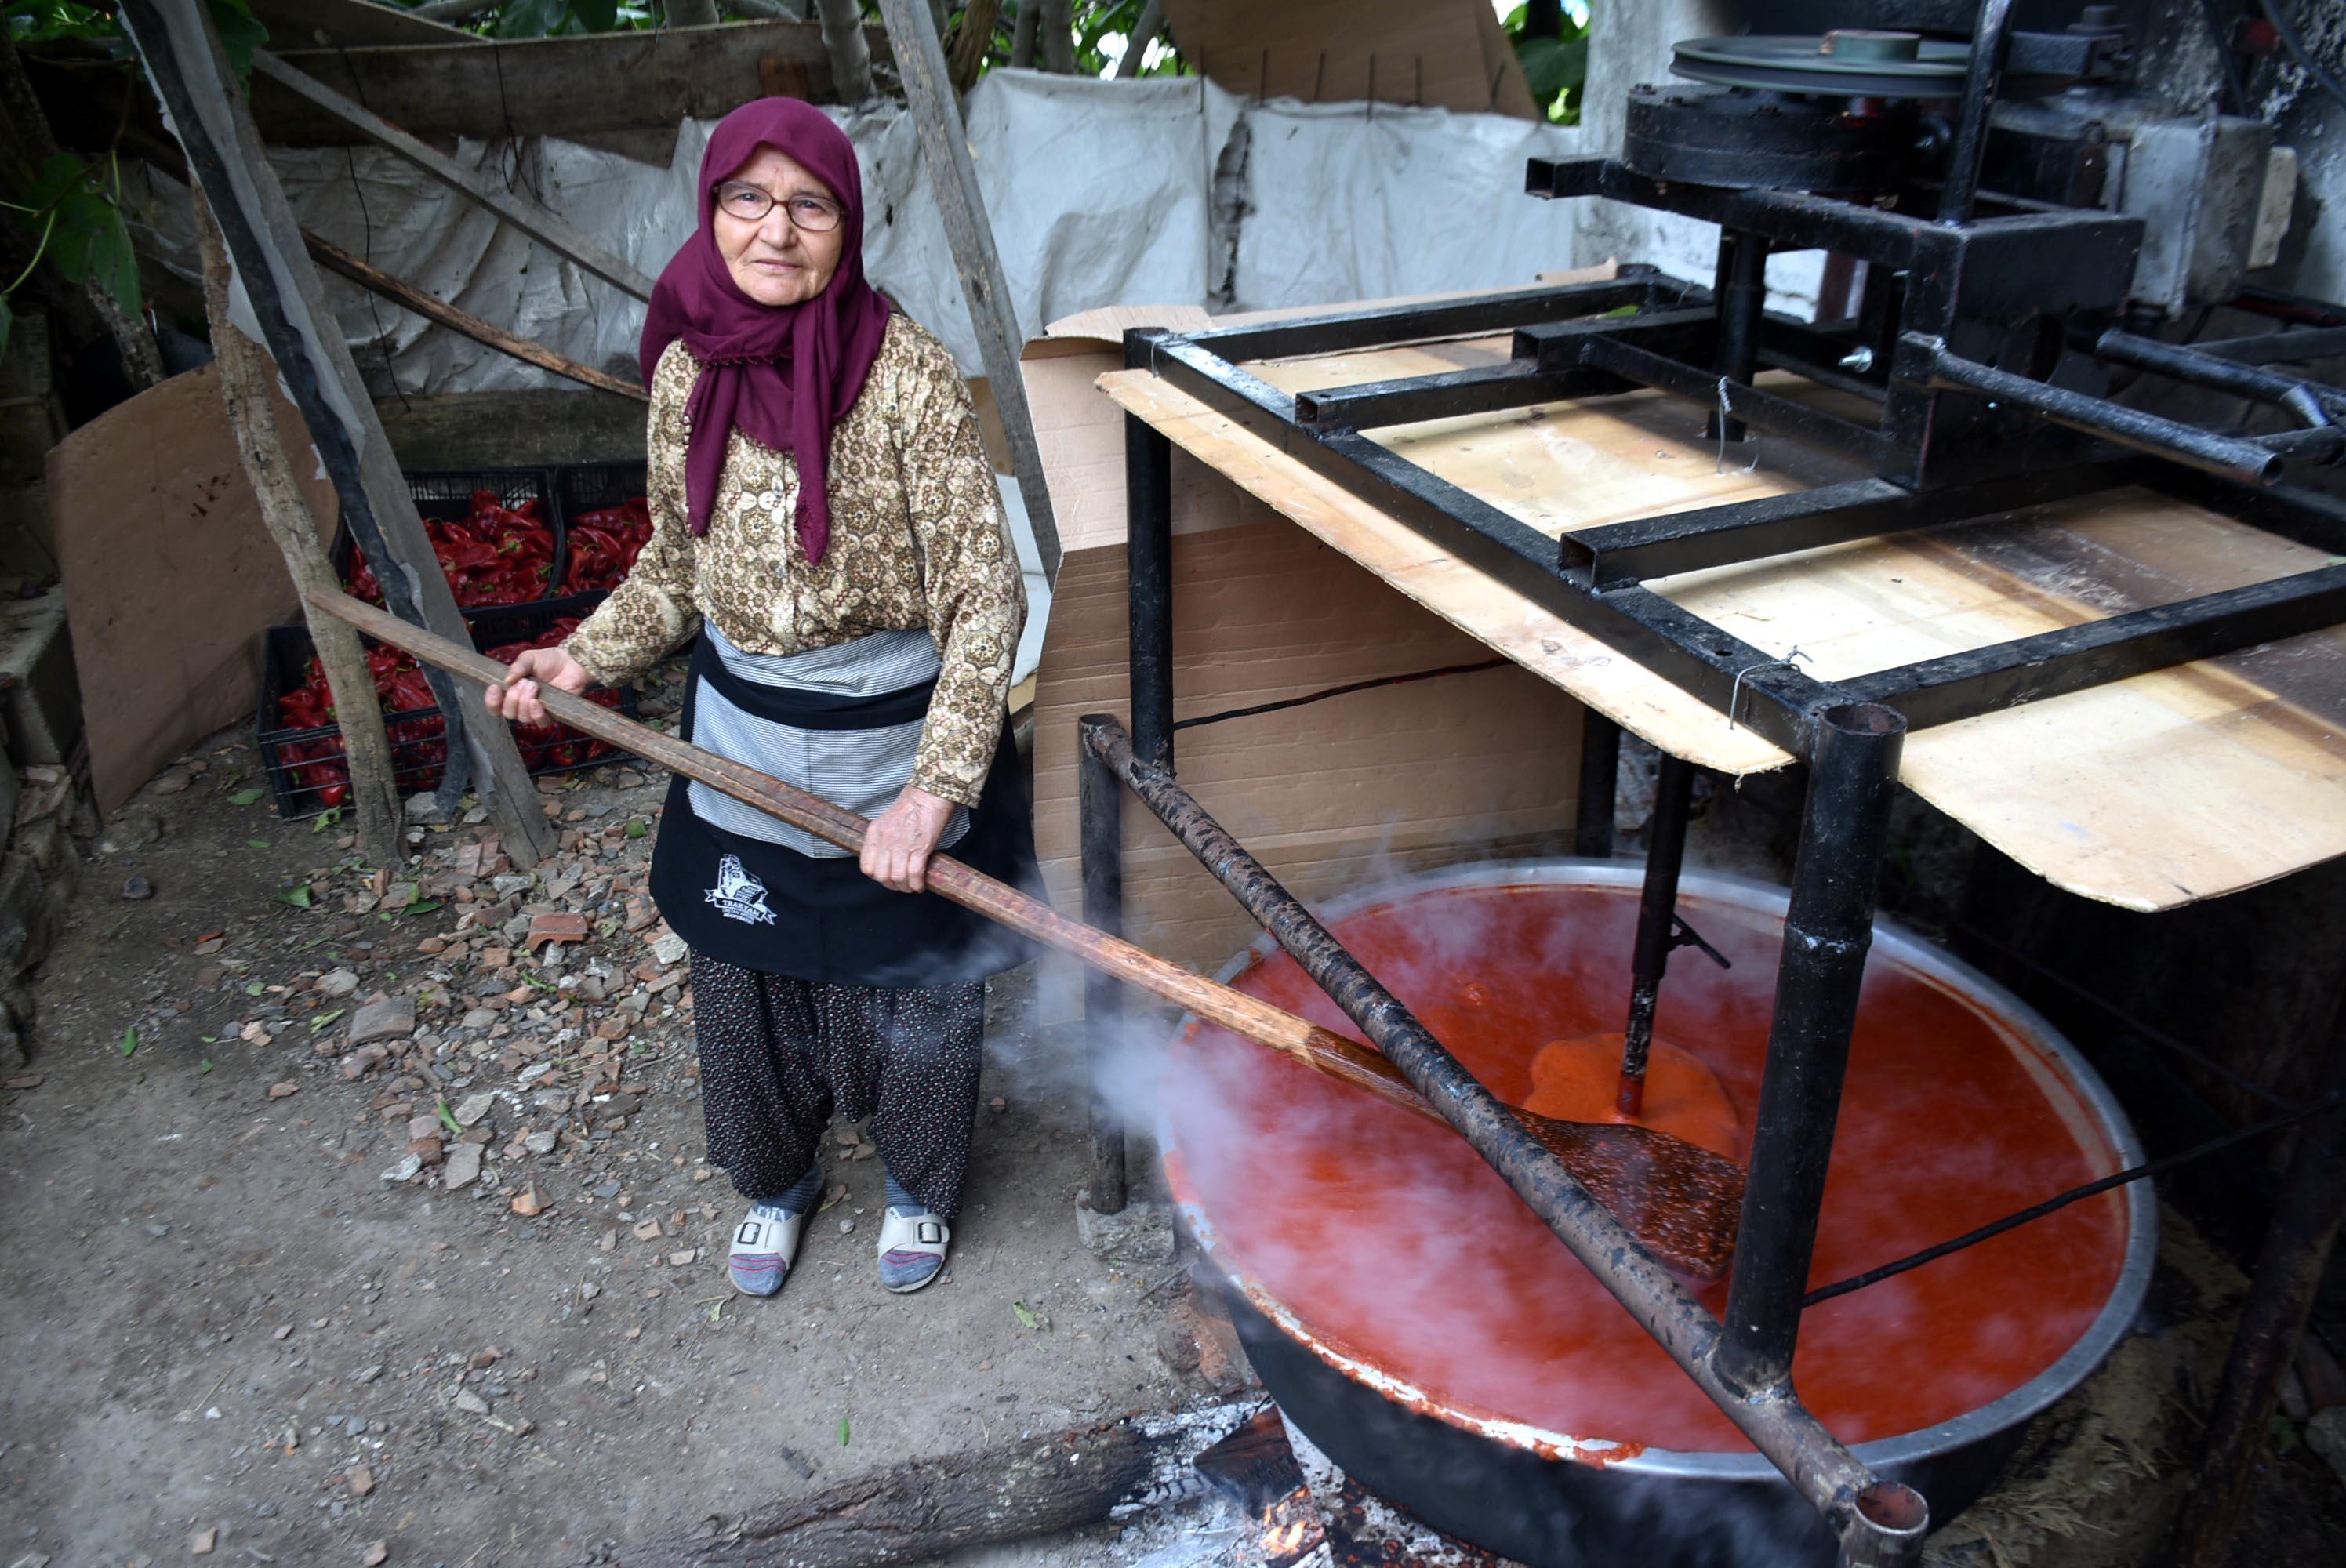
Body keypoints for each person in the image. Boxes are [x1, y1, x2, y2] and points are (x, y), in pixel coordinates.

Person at [485, 100, 1033, 1299]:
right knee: (741, 968)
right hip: (744, 734)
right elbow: (676, 566)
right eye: (748, 199)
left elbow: (986, 600)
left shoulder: (908, 376)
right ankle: (776, 1180)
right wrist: (583, 658)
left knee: (919, 980)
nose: (775, 230)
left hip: (892, 735)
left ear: (849, 225)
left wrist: (935, 793)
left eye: (809, 204)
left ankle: (919, 1186)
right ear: (712, 209)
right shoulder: (689, 370)